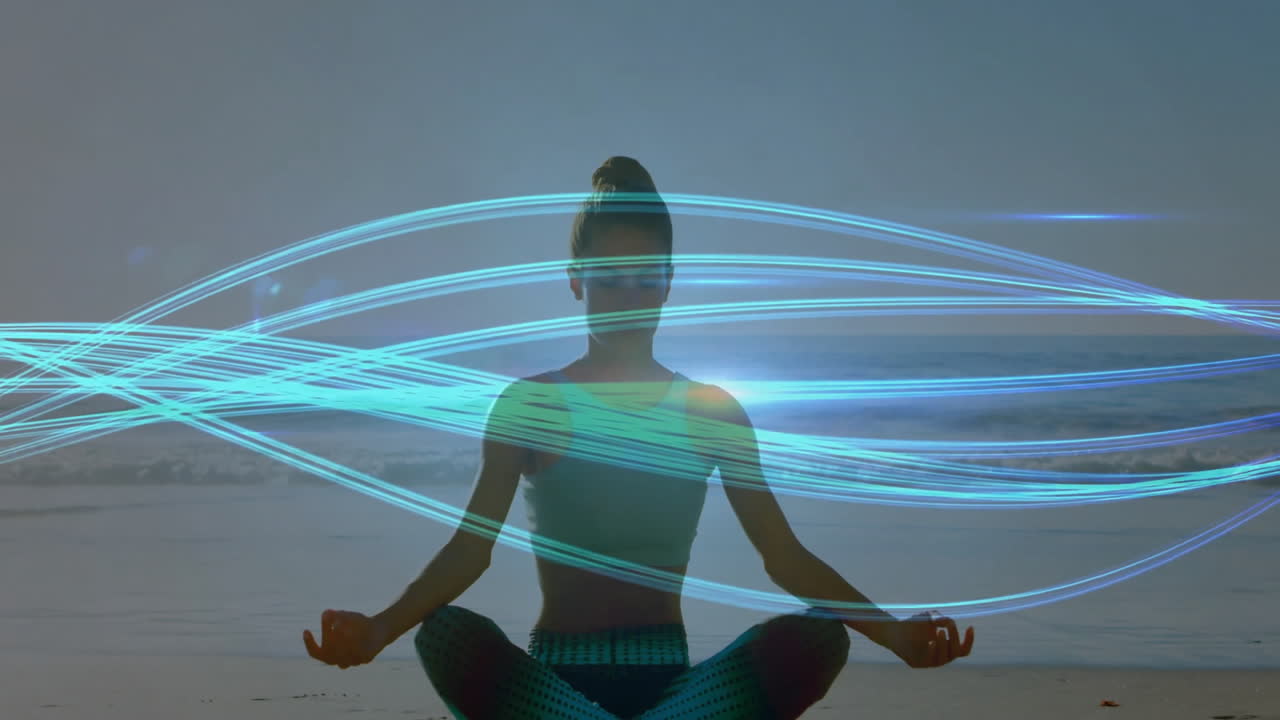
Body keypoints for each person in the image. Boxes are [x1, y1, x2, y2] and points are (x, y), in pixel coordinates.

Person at [303, 156, 975, 718]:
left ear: (668, 284)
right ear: (575, 281)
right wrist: (378, 629)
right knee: (446, 634)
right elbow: (467, 553)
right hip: (551, 691)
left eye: (644, 277)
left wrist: (894, 635)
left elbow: (785, 559)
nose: (627, 295)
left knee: (816, 638)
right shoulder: (531, 404)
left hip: (684, 695)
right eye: (608, 278)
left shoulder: (711, 410)